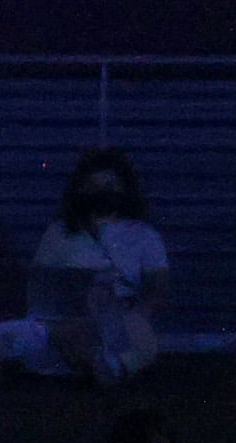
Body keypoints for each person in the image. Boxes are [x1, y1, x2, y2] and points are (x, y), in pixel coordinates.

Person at [28, 145, 174, 383]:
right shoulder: (59, 233)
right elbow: (43, 288)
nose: (102, 194)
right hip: (71, 319)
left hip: (120, 319)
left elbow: (156, 292)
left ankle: (107, 364)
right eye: (94, 187)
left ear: (125, 190)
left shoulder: (144, 236)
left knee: (133, 338)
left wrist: (132, 319)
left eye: (110, 187)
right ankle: (98, 362)